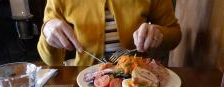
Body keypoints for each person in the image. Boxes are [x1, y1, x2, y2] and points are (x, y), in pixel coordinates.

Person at [37, 0, 181, 66]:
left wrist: (159, 34)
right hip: (84, 79)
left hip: (138, 79)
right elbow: (50, 60)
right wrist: (47, 31)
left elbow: (175, 34)